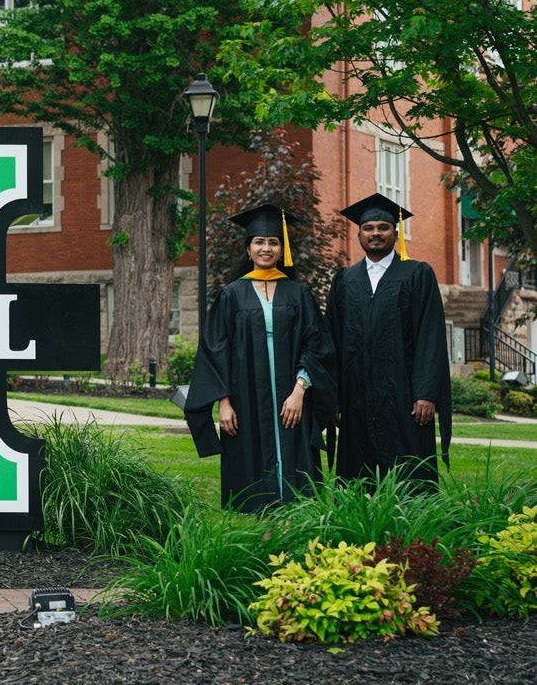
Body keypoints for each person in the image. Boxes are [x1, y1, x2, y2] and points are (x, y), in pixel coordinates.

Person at [185, 204, 335, 513]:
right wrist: (223, 402)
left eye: (273, 242)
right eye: (259, 242)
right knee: (251, 454)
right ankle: (261, 520)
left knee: (295, 457)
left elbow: (316, 344)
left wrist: (300, 390)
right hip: (245, 396)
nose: (266, 248)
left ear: (282, 249)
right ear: (248, 249)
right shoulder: (231, 295)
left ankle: (295, 518)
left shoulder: (298, 294)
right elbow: (215, 350)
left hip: (291, 394)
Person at [324, 192, 452, 487]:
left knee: (409, 474)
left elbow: (430, 337)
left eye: (383, 227)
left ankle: (413, 517)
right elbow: (332, 341)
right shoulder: (344, 280)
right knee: (358, 476)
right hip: (356, 396)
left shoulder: (417, 274)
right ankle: (359, 515)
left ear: (396, 233)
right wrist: (335, 398)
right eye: (368, 228)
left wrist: (426, 393)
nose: (376, 233)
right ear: (358, 234)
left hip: (405, 395)